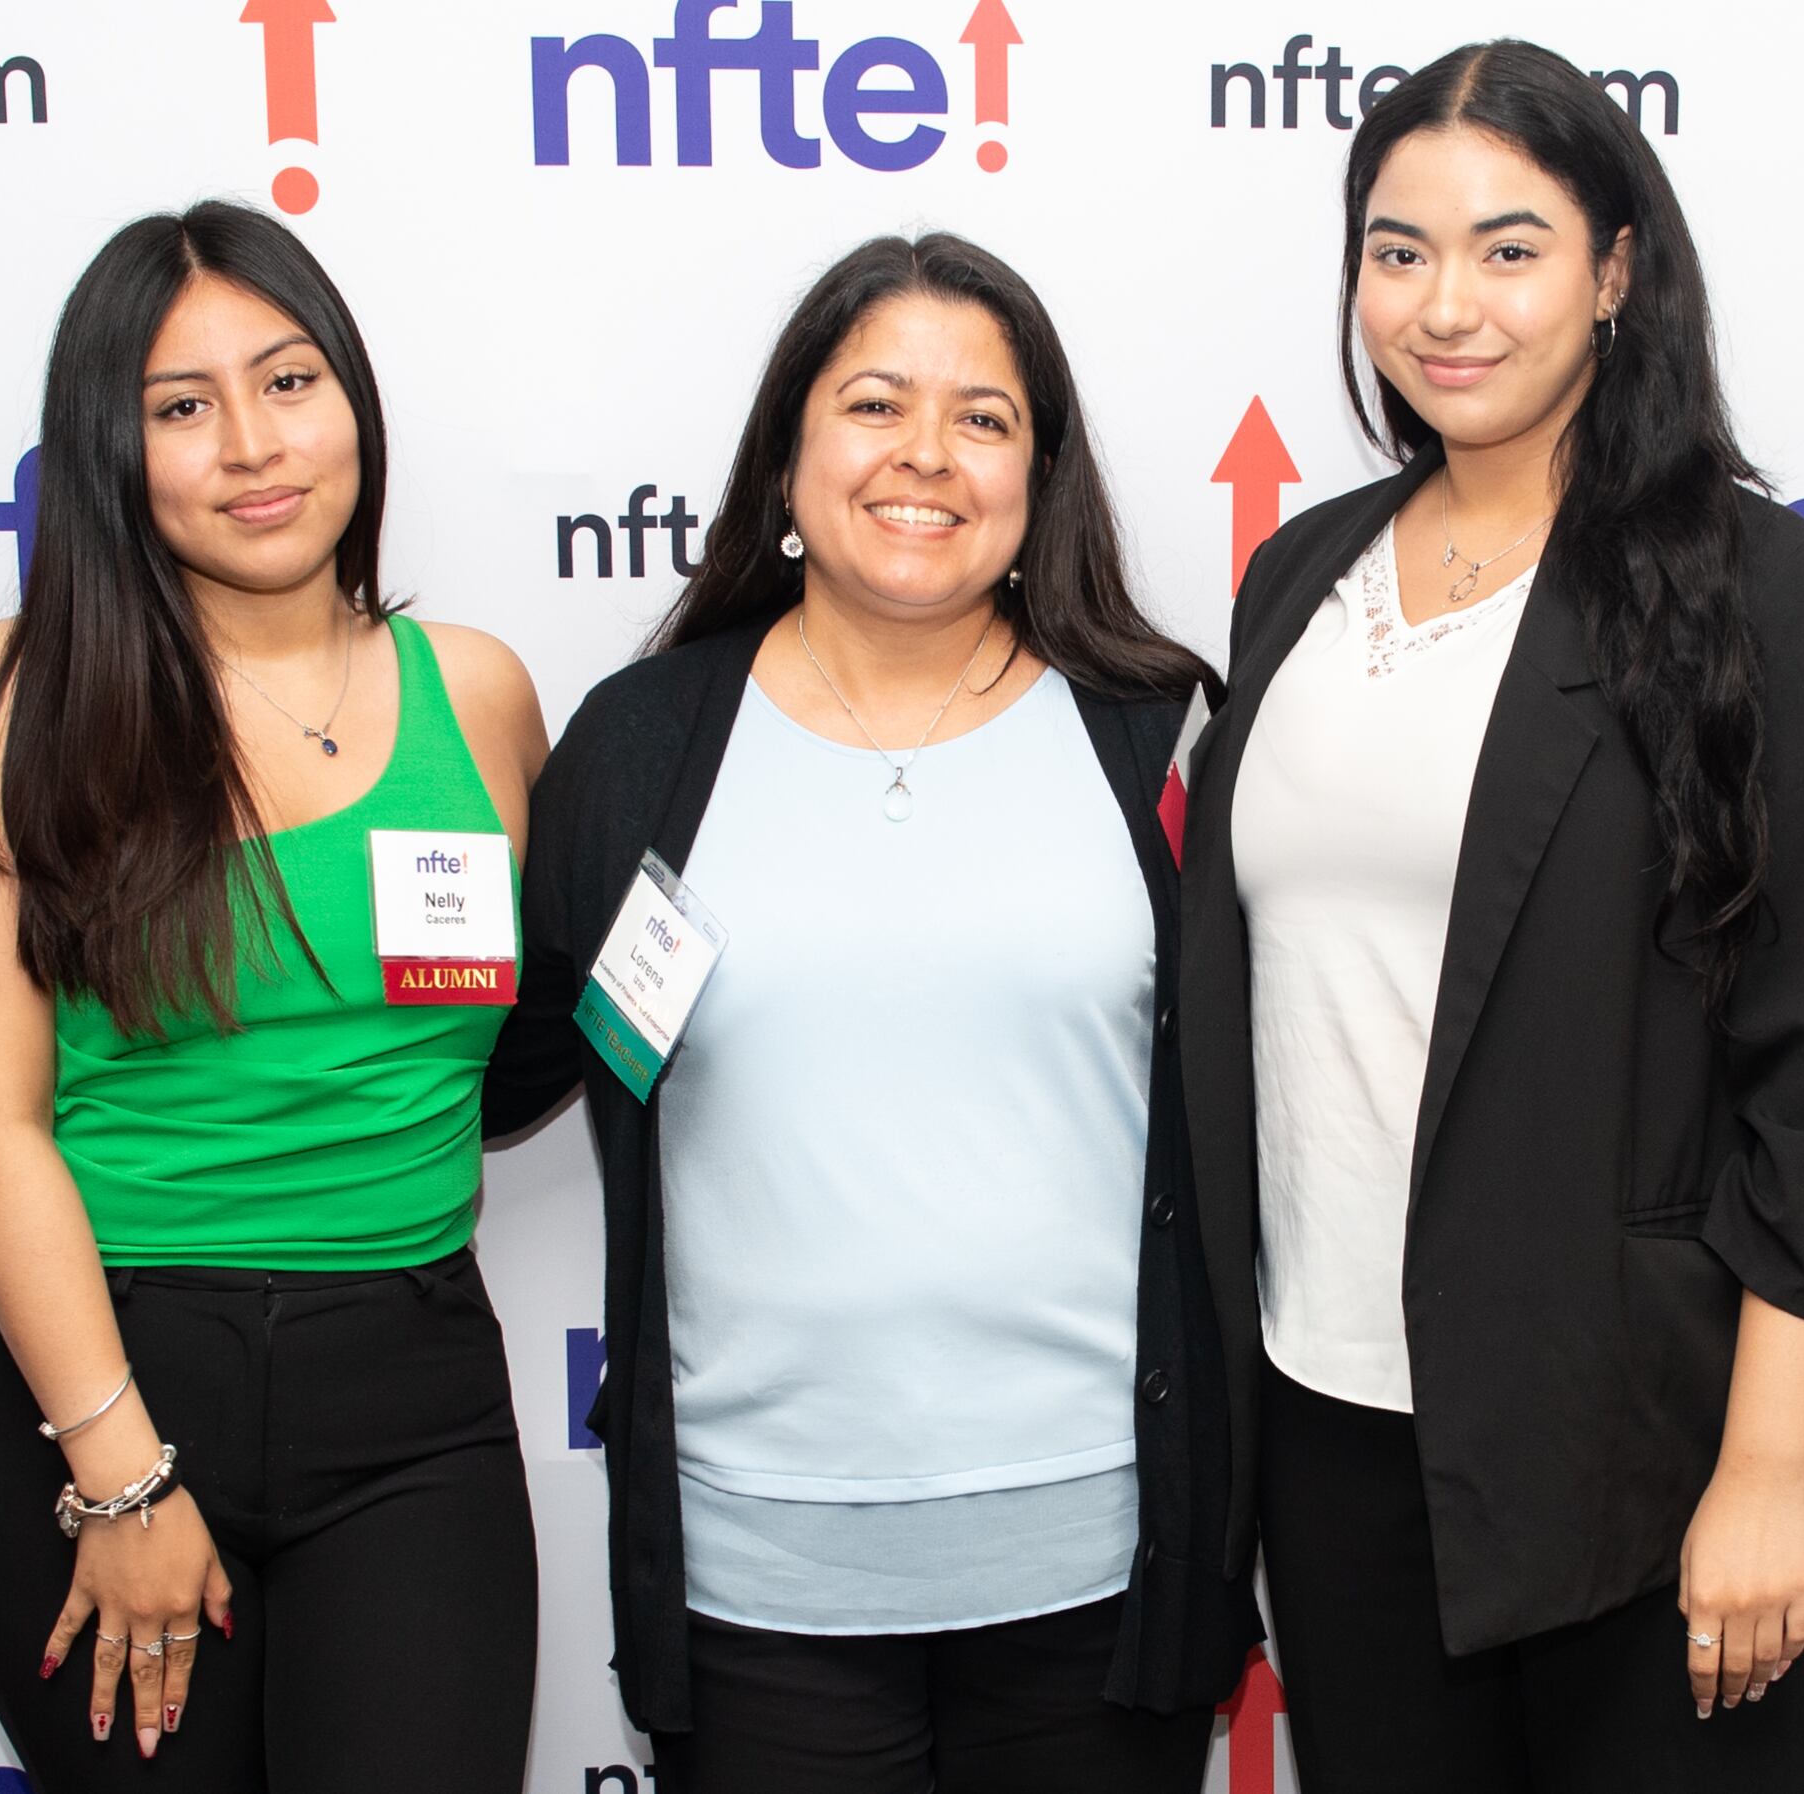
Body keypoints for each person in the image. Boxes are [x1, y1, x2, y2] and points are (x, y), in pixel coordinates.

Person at [1176, 40, 1804, 1792]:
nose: (1449, 306)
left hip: (1633, 1448)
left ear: (1615, 269)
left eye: (1511, 247)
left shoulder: (1756, 594)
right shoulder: (1303, 575)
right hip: (1334, 1425)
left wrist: (1760, 1473)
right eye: (1398, 247)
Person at [483, 232, 1258, 1794]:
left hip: (1099, 1568)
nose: (926, 454)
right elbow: (507, 1065)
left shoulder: (1158, 733)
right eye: (875, 404)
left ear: (1043, 475)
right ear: (788, 453)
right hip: (759, 1587)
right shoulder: (641, 748)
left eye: (984, 417)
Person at [0, 199, 548, 1792]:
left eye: (290, 380)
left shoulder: (477, 690)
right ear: (111, 452)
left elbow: (527, 1037)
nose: (253, 445)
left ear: (354, 404)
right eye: (182, 408)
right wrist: (116, 1477)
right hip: (108, 1380)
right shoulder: (15, 693)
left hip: (414, 1394)